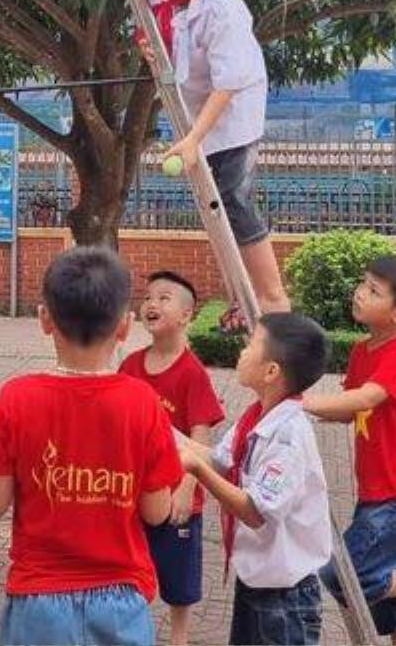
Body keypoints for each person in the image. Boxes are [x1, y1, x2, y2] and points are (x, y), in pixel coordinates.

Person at [0, 247, 184, 646]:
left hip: (38, 603)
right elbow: (156, 513)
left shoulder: (14, 400)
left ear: (44, 319)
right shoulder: (143, 403)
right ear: (125, 325)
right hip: (121, 601)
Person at [135, 0, 287, 313]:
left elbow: (227, 87)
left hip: (232, 114)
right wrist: (154, 51)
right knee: (212, 205)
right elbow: (160, 32)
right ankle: (241, 295)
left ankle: (272, 297)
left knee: (232, 200)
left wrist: (191, 140)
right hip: (195, 108)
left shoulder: (223, 10)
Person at [302, 253, 396, 645]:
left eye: (374, 291)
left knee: (343, 573)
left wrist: (303, 404)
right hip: (378, 493)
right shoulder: (364, 351)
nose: (360, 293)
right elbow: (348, 411)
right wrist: (301, 412)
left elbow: (365, 398)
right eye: (363, 284)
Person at [179, 313, 332, 646]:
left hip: (285, 599)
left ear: (271, 371)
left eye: (251, 344)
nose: (242, 350)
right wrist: (157, 427)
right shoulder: (257, 417)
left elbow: (255, 511)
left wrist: (197, 469)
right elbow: (220, 461)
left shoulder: (289, 436)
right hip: (256, 583)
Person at [118, 270, 226, 646]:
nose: (151, 304)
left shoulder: (192, 373)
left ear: (185, 315)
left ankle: (179, 637)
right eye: (148, 297)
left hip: (177, 494)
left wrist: (186, 488)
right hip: (133, 494)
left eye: (164, 298)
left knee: (179, 579)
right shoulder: (130, 366)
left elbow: (200, 438)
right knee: (132, 566)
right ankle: (135, 629)